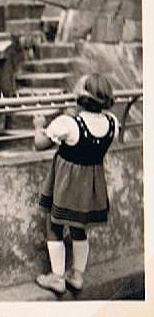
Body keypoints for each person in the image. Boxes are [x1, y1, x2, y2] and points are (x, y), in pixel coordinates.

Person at [33, 73, 119, 294]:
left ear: (80, 97)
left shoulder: (69, 123)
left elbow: (40, 143)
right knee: (79, 227)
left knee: (54, 225)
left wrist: (39, 125)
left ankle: (57, 277)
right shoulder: (112, 122)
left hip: (66, 184)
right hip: (91, 186)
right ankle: (77, 274)